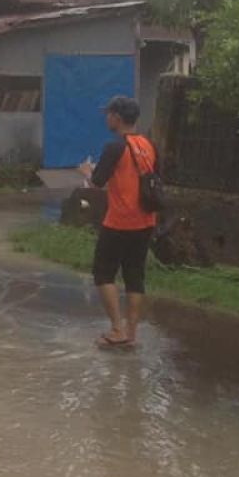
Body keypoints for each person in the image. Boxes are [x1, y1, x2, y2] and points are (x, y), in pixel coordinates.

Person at [78, 95, 158, 348]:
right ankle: (131, 333)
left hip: (120, 221)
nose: (106, 118)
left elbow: (97, 182)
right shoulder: (149, 145)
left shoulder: (115, 147)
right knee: (135, 275)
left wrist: (87, 172)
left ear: (117, 117)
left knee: (103, 273)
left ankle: (116, 329)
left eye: (108, 114)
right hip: (146, 220)